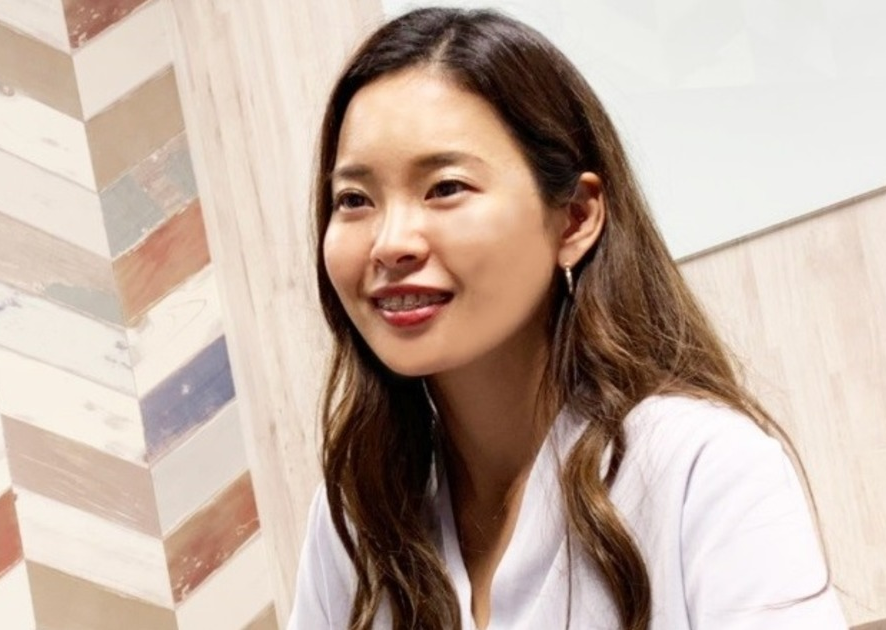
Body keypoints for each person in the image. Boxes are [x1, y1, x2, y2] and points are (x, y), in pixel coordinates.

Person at [289, 7, 848, 630]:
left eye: (445, 188)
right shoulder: (355, 517)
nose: (391, 243)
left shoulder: (704, 468)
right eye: (354, 200)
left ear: (576, 218)